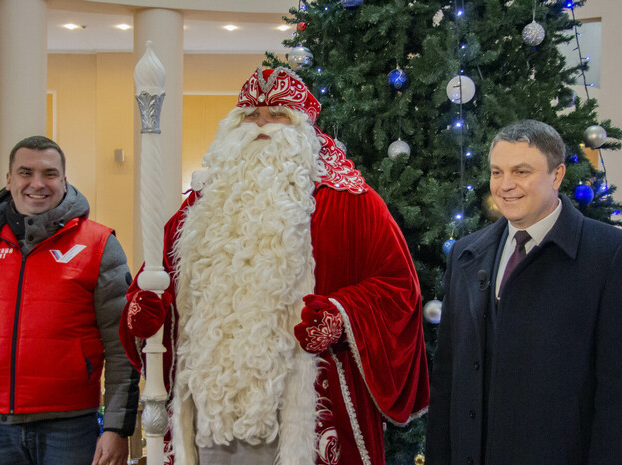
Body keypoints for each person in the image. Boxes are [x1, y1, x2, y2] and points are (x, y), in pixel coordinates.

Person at [120, 67, 429, 465]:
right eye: (251, 115)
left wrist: (341, 314)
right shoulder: (195, 211)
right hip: (210, 421)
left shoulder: (352, 202)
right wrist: (145, 311)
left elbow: (399, 288)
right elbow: (153, 285)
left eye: (278, 114)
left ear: (304, 129)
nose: (261, 125)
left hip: (307, 413)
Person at [425, 120, 622, 465]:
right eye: (497, 172)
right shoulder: (467, 253)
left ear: (557, 175)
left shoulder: (612, 255)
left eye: (521, 171)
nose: (506, 185)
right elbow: (448, 380)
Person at [0, 135, 140, 465]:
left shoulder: (98, 244)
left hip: (70, 425)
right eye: (26, 172)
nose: (37, 184)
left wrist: (116, 427)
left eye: (49, 173)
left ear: (64, 179)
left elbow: (122, 345)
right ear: (9, 179)